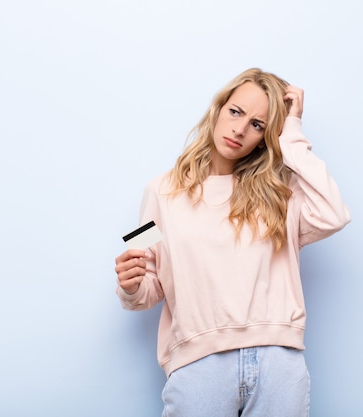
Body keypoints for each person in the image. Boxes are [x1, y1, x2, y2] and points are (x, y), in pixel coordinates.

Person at [115, 68, 351, 417]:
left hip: (278, 361)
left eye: (258, 124)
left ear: (267, 136)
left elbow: (335, 215)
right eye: (236, 112)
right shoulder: (160, 191)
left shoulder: (280, 192)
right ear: (219, 108)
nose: (240, 129)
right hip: (197, 364)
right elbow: (145, 283)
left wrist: (293, 133)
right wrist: (130, 285)